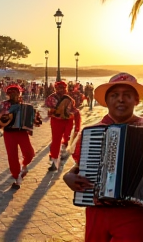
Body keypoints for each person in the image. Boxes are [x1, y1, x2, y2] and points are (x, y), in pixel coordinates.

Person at [63, 72, 143, 242]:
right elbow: (80, 166)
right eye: (114, 95)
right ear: (107, 101)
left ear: (136, 101)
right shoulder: (92, 132)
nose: (120, 99)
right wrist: (68, 175)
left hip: (135, 213)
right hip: (96, 210)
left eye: (127, 95)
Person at [0, 84, 42, 189]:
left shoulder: (27, 106)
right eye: (10, 93)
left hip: (22, 133)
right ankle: (17, 178)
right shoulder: (3, 105)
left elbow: (36, 121)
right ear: (8, 94)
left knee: (30, 153)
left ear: (19, 93)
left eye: (16, 92)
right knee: (12, 156)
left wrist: (36, 120)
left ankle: (24, 165)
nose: (13, 95)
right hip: (9, 133)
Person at [45, 81, 81, 171]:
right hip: (56, 121)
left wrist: (75, 115)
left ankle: (61, 151)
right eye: (59, 88)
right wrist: (53, 112)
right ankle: (54, 161)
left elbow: (73, 109)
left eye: (63, 88)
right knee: (56, 140)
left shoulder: (70, 97)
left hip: (68, 121)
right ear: (56, 89)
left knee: (67, 137)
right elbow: (45, 110)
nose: (61, 90)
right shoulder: (51, 98)